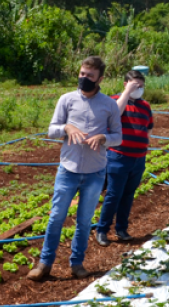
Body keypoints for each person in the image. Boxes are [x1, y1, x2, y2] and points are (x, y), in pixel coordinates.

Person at [28, 57, 122, 281]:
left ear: (100, 78)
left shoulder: (109, 104)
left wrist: (103, 137)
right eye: (82, 74)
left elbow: (118, 137)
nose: (84, 78)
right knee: (56, 217)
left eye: (90, 75)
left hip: (95, 172)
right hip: (68, 170)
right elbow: (51, 130)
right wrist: (67, 128)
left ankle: (77, 263)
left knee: (84, 220)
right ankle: (45, 264)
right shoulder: (67, 99)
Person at [94, 69, 154, 246]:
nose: (138, 89)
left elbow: (149, 127)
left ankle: (121, 229)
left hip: (138, 158)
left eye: (141, 86)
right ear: (125, 84)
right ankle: (102, 230)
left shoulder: (145, 105)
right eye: (135, 85)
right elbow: (115, 114)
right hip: (119, 156)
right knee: (113, 195)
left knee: (128, 195)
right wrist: (127, 93)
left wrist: (143, 142)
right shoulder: (115, 100)